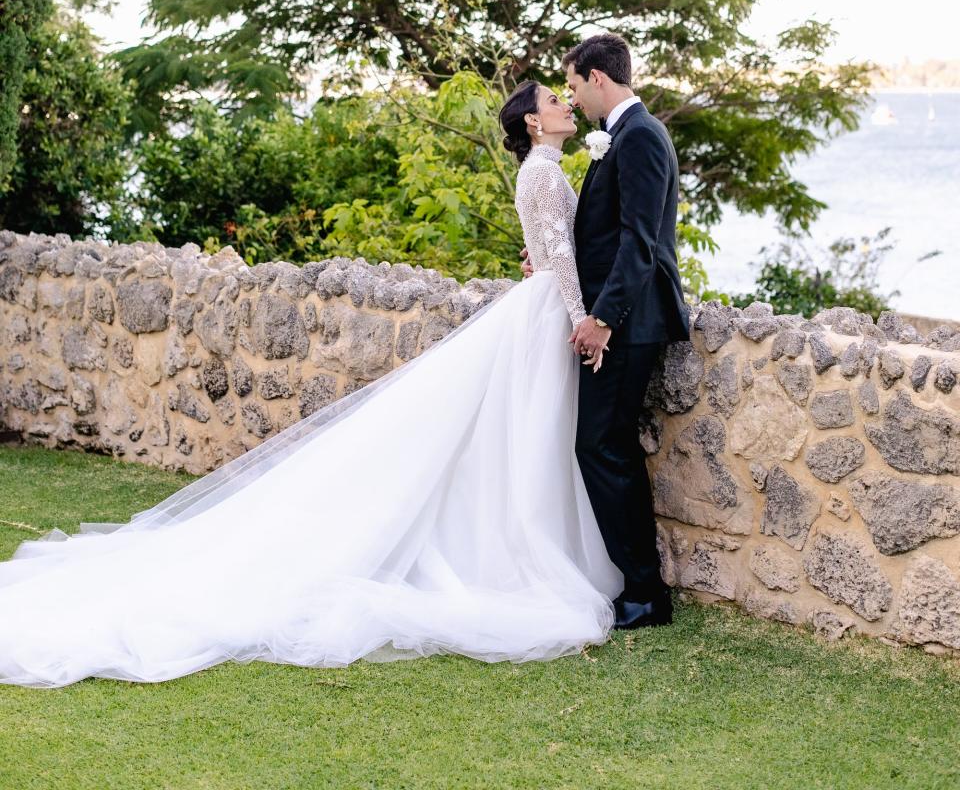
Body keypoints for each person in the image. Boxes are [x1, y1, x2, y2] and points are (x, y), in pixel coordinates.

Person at [0, 80, 625, 688]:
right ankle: (520, 553)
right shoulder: (542, 171)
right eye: (552, 101)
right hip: (549, 311)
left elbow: (552, 249)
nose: (564, 104)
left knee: (523, 434)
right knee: (528, 433)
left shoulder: (545, 169)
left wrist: (549, 277)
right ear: (534, 124)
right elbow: (561, 259)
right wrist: (579, 319)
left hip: (538, 302)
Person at [563, 33, 690, 630]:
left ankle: (644, 590)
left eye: (573, 86)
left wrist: (603, 319)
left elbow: (641, 241)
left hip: (630, 323)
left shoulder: (639, 136)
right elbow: (603, 234)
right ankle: (638, 586)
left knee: (601, 443)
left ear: (596, 78)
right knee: (605, 443)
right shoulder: (626, 134)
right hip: (620, 319)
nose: (573, 99)